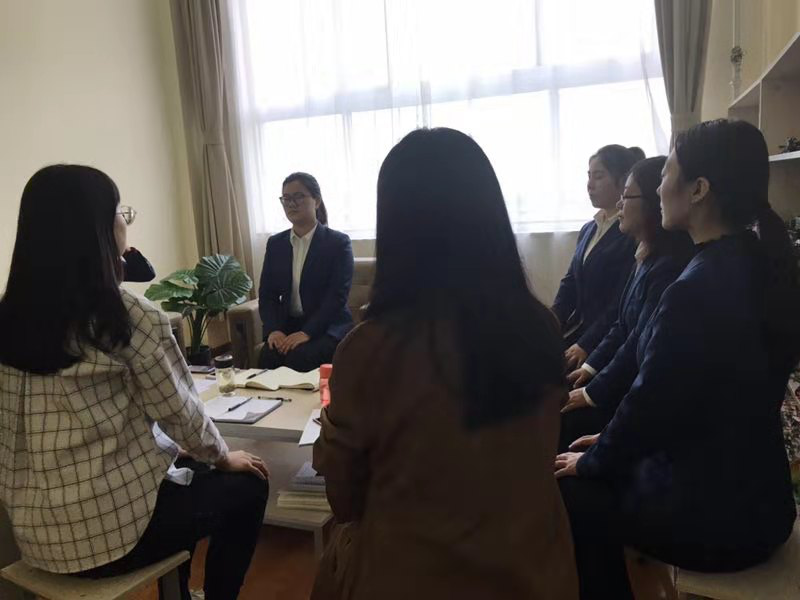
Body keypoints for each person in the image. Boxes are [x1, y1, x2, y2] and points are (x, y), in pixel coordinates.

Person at [312, 128, 578, 600]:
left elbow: (345, 499)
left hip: (412, 578)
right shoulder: (540, 328)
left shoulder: (368, 350)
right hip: (535, 571)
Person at [555, 119, 800, 600]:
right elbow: (689, 400)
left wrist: (597, 458)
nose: (658, 188)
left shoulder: (696, 286)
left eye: (666, 172)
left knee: (570, 488)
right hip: (762, 503)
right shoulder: (754, 262)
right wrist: (608, 440)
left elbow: (652, 402)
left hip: (714, 520)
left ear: (699, 189)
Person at [0, 165, 269, 600]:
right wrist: (222, 456)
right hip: (111, 537)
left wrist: (180, 450)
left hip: (35, 537)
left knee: (181, 476)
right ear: (100, 230)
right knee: (247, 484)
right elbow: (182, 414)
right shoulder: (127, 317)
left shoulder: (9, 318)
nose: (125, 222)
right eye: (120, 212)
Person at [558, 156, 695, 451]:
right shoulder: (645, 254)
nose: (620, 204)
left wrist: (593, 391)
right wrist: (591, 370)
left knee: (567, 422)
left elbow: (639, 346)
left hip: (633, 393)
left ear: (652, 203)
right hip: (618, 374)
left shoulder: (669, 267)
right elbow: (623, 325)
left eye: (627, 196)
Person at [553, 145, 642, 371]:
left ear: (622, 181)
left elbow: (620, 301)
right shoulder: (589, 229)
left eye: (599, 176)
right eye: (589, 176)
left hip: (604, 339)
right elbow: (570, 283)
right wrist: (551, 322)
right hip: (578, 328)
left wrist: (586, 343)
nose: (590, 184)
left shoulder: (631, 234)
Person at [258, 172, 354, 372]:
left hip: (327, 326)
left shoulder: (337, 243)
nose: (291, 204)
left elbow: (337, 297)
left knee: (301, 357)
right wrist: (274, 330)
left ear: (316, 201)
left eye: (298, 196)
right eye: (286, 198)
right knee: (268, 355)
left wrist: (307, 332)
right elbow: (267, 294)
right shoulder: (276, 244)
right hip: (289, 325)